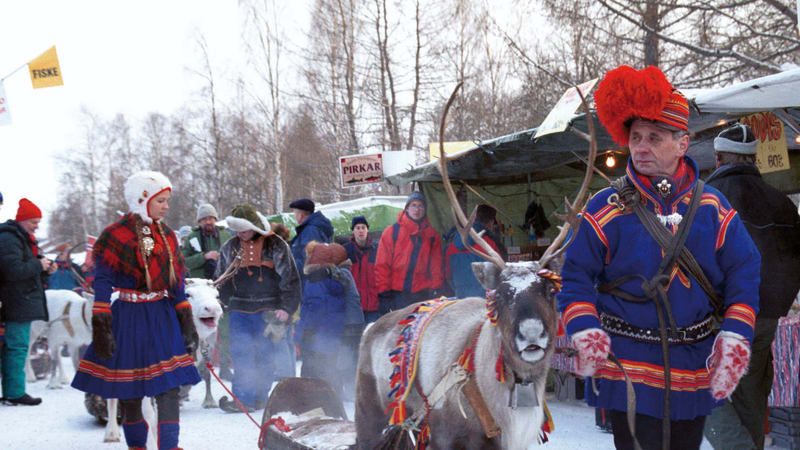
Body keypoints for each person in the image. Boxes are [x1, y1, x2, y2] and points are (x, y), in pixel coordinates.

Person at [557, 65, 761, 449]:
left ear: (682, 144)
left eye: (654, 137)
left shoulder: (713, 207)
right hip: (628, 365)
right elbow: (576, 278)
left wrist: (735, 336)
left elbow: (745, 271)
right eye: (636, 137)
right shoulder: (606, 207)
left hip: (693, 366)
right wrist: (586, 329)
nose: (641, 147)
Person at [71, 171, 201, 450]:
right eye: (161, 201)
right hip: (128, 316)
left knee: (169, 388)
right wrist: (101, 323)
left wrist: (186, 320)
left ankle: (169, 446)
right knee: (130, 392)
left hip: (162, 316)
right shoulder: (114, 235)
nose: (167, 207)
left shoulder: (167, 234)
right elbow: (103, 281)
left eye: (167, 201)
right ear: (143, 199)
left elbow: (176, 280)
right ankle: (137, 446)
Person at [702, 124, 800, 449]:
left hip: (718, 317)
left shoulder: (703, 204)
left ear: (717, 158)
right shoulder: (782, 203)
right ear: (754, 159)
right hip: (765, 319)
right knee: (750, 398)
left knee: (699, 385)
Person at [215, 203, 301, 413]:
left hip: (269, 310)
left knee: (265, 355)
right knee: (242, 353)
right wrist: (218, 305)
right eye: (237, 231)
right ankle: (242, 399)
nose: (241, 234)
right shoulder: (229, 247)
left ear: (255, 226)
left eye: (244, 230)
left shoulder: (276, 245)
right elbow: (220, 280)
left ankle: (259, 397)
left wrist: (286, 308)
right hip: (239, 310)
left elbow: (290, 279)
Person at [0, 198, 55, 405]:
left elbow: (27, 270)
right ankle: (14, 393)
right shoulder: (10, 239)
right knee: (17, 347)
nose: (37, 226)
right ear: (22, 220)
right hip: (16, 301)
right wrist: (38, 265)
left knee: (16, 347)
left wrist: (46, 270)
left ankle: (13, 391)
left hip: (20, 300)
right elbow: (12, 270)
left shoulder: (22, 239)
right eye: (33, 221)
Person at [295, 241, 362, 397]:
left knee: (313, 370)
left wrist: (306, 331)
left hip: (316, 335)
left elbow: (314, 308)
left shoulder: (316, 281)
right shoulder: (335, 279)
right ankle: (334, 398)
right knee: (330, 368)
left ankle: (312, 401)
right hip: (331, 334)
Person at [375, 191, 443, 313]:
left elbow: (436, 266)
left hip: (422, 294)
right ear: (406, 208)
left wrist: (436, 288)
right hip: (397, 294)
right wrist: (384, 292)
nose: (417, 210)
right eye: (413, 205)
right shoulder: (391, 232)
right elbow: (382, 265)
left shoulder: (432, 236)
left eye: (421, 206)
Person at [445, 204, 502, 298]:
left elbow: (447, 275)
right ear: (491, 222)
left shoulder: (452, 245)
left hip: (461, 298)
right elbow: (499, 274)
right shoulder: (490, 244)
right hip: (484, 301)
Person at [342, 216, 380, 323]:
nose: (361, 231)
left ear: (368, 230)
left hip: (374, 306)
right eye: (357, 228)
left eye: (363, 227)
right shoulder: (345, 251)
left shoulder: (377, 249)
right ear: (353, 231)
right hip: (353, 306)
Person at [181, 203, 233, 280]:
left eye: (211, 218)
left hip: (223, 282)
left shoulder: (226, 236)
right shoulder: (191, 238)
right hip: (200, 285)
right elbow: (183, 262)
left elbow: (235, 258)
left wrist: (223, 258)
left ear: (215, 219)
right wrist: (204, 257)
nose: (208, 222)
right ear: (199, 221)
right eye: (204, 219)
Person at [288, 198, 333, 279]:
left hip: (309, 281)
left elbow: (308, 258)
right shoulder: (312, 228)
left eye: (295, 213)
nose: (295, 216)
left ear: (301, 215)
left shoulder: (310, 231)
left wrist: (289, 269)